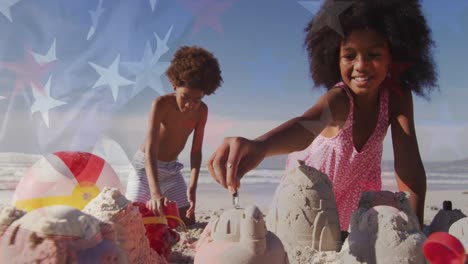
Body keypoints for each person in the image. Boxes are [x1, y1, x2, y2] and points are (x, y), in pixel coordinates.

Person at [207, 0, 437, 231]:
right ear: (334, 58)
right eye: (349, 55)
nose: (361, 65)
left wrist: (415, 229)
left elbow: (410, 170)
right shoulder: (338, 100)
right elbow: (304, 127)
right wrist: (260, 146)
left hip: (356, 200)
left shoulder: (397, 97)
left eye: (374, 54)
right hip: (310, 202)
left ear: (393, 55)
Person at [126, 46, 223, 226]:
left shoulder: (202, 111)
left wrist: (192, 186)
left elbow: (196, 152)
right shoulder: (161, 104)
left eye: (197, 100)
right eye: (185, 97)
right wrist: (155, 193)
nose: (190, 105)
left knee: (186, 221)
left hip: (171, 171)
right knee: (134, 220)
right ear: (174, 85)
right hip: (145, 168)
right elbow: (150, 153)